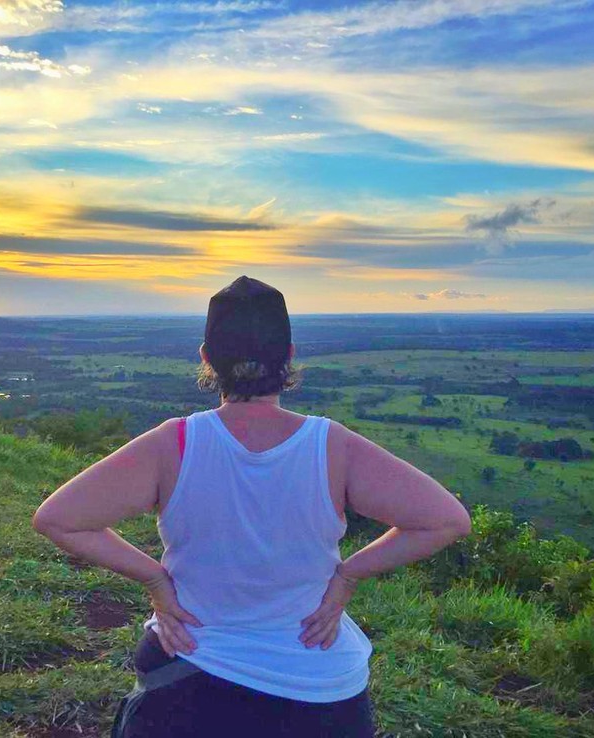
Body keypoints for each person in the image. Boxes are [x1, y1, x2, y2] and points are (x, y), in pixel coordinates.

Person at [32, 275, 472, 737]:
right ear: (289, 356)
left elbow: (57, 518)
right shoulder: (331, 446)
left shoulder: (174, 443)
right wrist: (348, 576)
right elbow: (446, 520)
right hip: (321, 694)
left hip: (191, 679)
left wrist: (155, 580)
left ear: (206, 358)